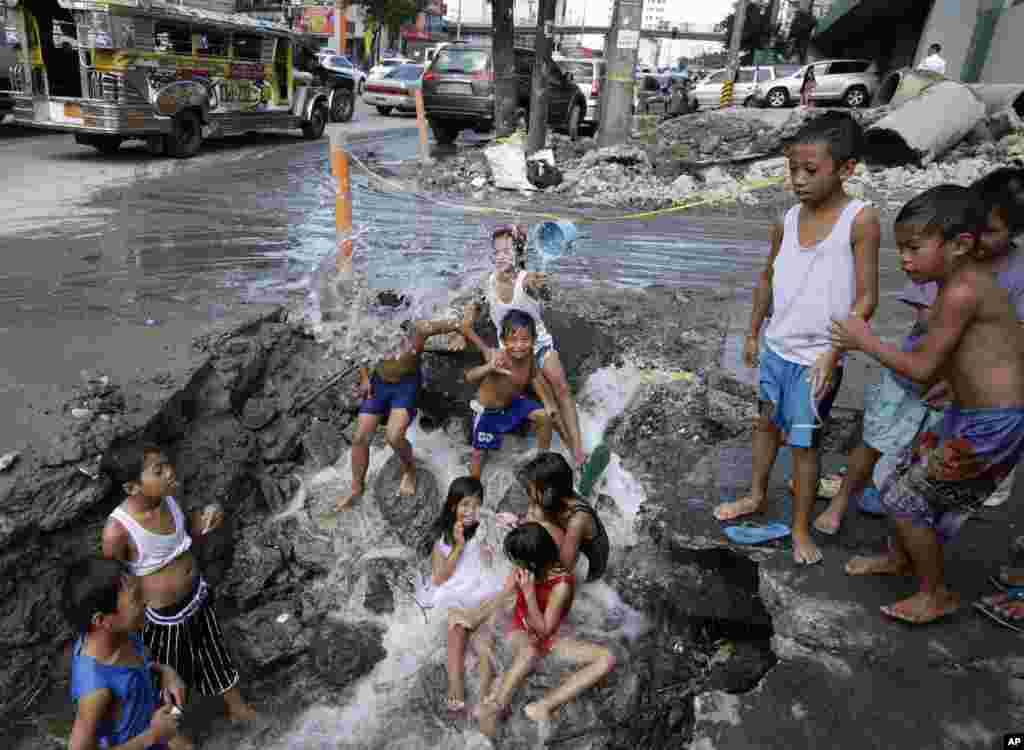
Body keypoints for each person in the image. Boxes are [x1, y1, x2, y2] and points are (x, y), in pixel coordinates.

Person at [832, 184, 1024, 625]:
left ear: (959, 246)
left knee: (909, 501)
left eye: (914, 248)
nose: (904, 259)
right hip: (970, 411)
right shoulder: (957, 285)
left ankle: (934, 592)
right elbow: (987, 351)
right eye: (901, 248)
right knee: (900, 476)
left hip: (992, 423)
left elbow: (920, 368)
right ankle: (901, 559)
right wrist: (956, 382)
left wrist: (865, 341)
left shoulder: (961, 293)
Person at [712, 112, 881, 566]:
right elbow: (767, 278)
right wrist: (752, 331)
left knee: (805, 446)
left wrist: (834, 352)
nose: (799, 180)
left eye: (811, 171)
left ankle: (802, 528)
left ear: (846, 169)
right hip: (777, 349)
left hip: (817, 360)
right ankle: (756, 495)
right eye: (793, 170)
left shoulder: (859, 220)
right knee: (765, 424)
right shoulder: (786, 220)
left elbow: (867, 298)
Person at [99, 442, 258, 723]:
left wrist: (208, 518)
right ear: (131, 488)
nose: (170, 473)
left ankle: (236, 706)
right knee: (170, 671)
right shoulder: (119, 531)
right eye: (159, 471)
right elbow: (115, 579)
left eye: (167, 465)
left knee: (213, 650)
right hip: (162, 617)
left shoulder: (169, 499)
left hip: (197, 596)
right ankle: (173, 734)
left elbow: (187, 529)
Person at [459, 523, 616, 735]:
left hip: (548, 637)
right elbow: (503, 596)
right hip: (519, 630)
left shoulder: (561, 584)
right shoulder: (525, 567)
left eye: (517, 561)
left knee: (606, 658)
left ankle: (545, 705)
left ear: (534, 561)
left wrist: (529, 593)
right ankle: (496, 704)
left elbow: (544, 632)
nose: (514, 565)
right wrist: (475, 617)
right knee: (529, 650)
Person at [339, 296, 475, 507]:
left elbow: (459, 323)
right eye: (383, 319)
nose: (387, 325)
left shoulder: (420, 329)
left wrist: (462, 337)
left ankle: (410, 469)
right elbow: (359, 349)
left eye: (393, 320)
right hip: (379, 384)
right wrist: (365, 378)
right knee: (359, 437)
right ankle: (357, 486)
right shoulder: (371, 328)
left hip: (406, 386)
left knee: (394, 436)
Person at [471, 224, 586, 468]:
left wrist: (542, 288)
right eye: (497, 252)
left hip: (538, 344)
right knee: (547, 404)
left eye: (507, 251)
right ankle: (569, 450)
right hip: (514, 355)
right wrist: (461, 331)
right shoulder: (488, 282)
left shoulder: (526, 279)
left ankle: (578, 449)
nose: (501, 256)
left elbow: (542, 292)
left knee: (560, 384)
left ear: (518, 253)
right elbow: (475, 306)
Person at [62, 557, 192, 750]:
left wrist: (167, 672)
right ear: (102, 620)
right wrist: (153, 736)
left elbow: (136, 670)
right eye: (137, 598)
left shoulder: (121, 634)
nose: (147, 600)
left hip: (154, 726)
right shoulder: (95, 691)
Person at [424, 477, 505, 714]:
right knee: (458, 630)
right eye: (465, 505)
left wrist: (488, 547)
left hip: (482, 586)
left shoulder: (483, 528)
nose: (472, 511)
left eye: (477, 505)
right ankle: (456, 684)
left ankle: (484, 694)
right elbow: (439, 578)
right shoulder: (444, 537)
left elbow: (490, 563)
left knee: (484, 637)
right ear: (453, 506)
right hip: (455, 590)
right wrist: (459, 546)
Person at [466, 310, 556, 480]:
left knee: (544, 417)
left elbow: (535, 376)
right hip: (489, 412)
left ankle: (543, 459)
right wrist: (489, 367)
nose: (519, 345)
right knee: (479, 454)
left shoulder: (529, 355)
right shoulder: (498, 357)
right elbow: (470, 376)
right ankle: (473, 485)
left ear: (533, 340)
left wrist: (548, 402)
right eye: (513, 340)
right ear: (503, 341)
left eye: (525, 340)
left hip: (514, 403)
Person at [520, 451, 610, 582]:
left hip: (588, 566)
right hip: (571, 540)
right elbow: (532, 510)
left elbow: (564, 568)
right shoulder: (555, 494)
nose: (527, 492)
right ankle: (586, 484)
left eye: (531, 489)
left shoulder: (577, 520)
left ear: (549, 491)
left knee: (538, 522)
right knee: (535, 517)